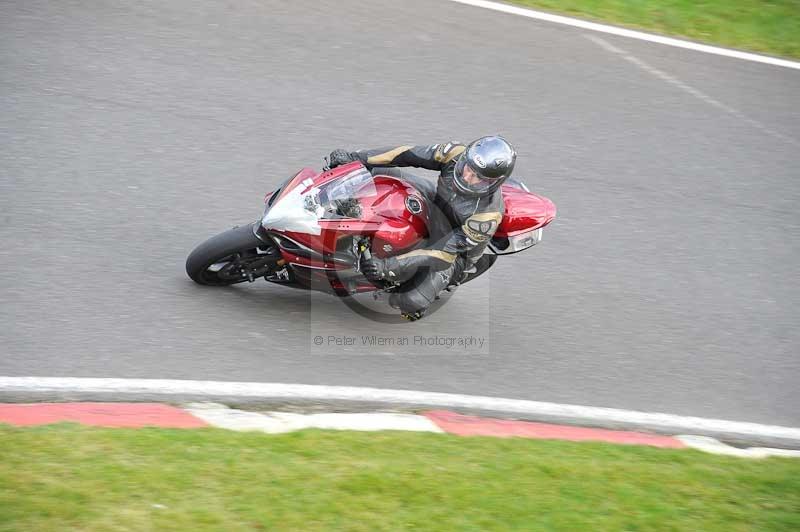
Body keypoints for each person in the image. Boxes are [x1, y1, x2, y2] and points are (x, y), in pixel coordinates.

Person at [328, 136, 516, 320]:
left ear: (494, 182)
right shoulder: (455, 154)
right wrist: (355, 158)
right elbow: (407, 154)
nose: (467, 177)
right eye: (468, 168)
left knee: (406, 301)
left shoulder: (486, 216)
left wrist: (386, 267)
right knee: (377, 172)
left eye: (478, 177)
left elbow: (444, 253)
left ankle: (420, 301)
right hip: (436, 203)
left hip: (452, 255)